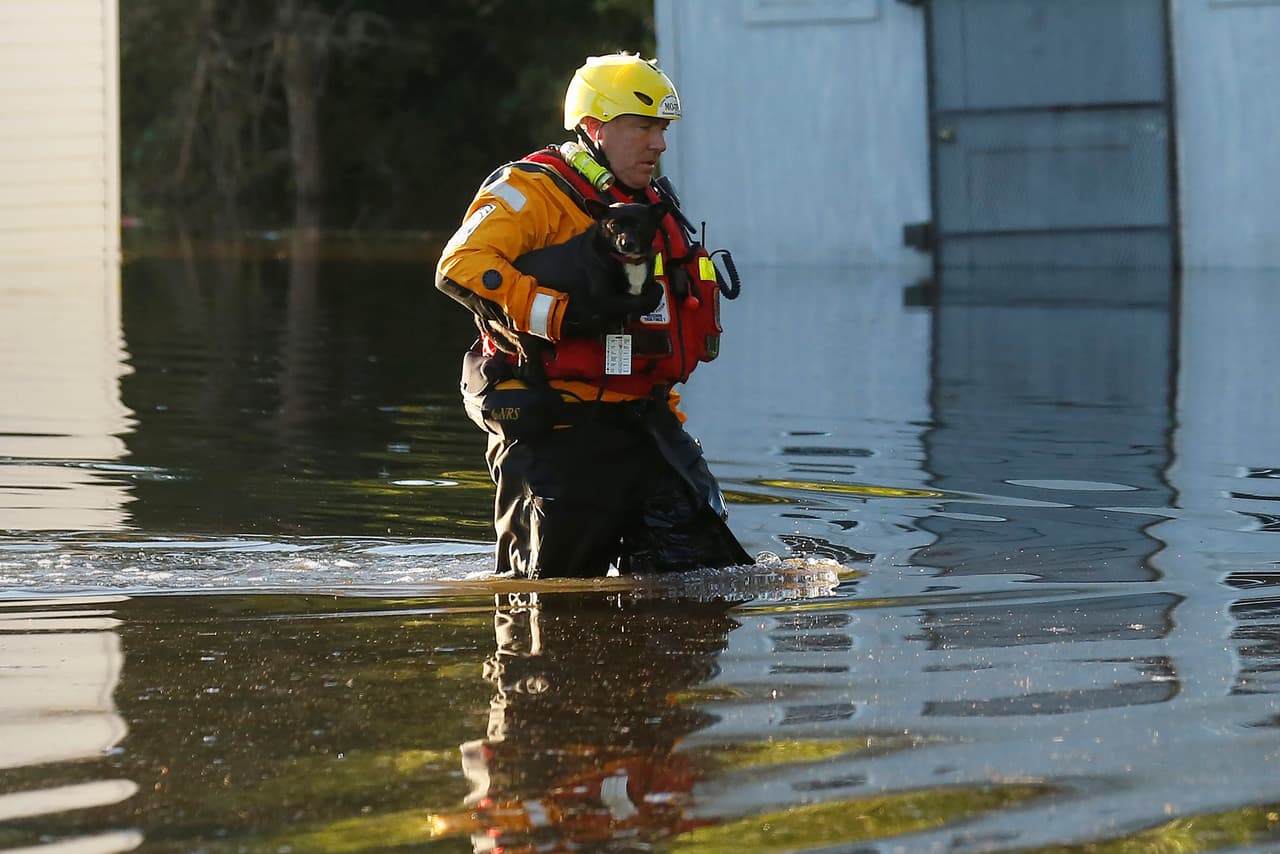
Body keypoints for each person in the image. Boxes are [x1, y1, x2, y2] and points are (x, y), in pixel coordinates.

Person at [435, 53, 749, 578]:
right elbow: (460, 266)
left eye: (663, 129)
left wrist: (664, 405)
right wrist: (560, 314)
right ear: (593, 127)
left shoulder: (648, 205)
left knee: (706, 583)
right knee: (545, 607)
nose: (659, 143)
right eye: (643, 127)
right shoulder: (531, 191)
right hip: (562, 426)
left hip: (645, 426)